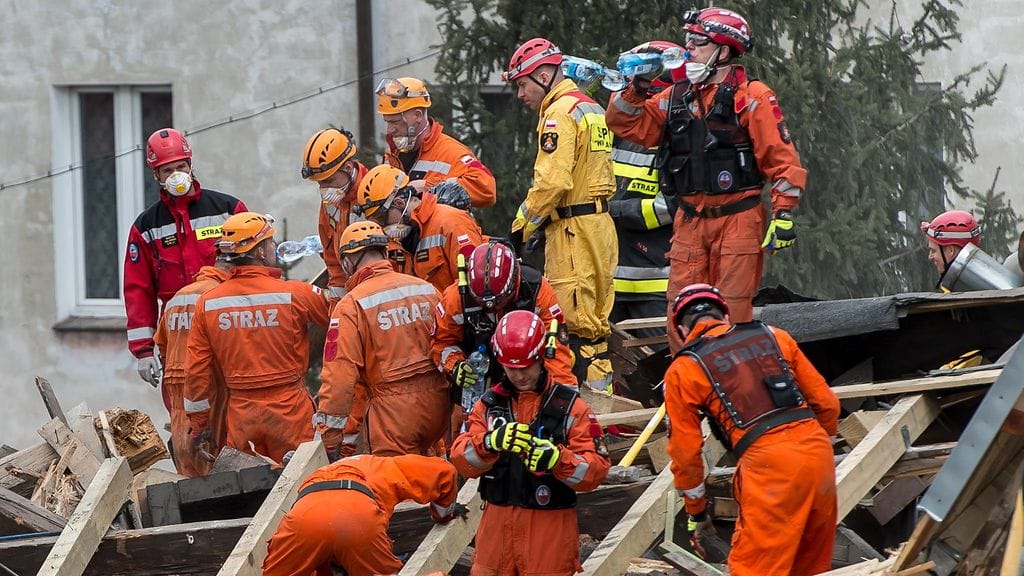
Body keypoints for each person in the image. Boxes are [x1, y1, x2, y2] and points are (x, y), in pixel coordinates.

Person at [605, 8, 807, 351]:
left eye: (697, 42)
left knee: (732, 313)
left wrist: (783, 213)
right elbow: (627, 124)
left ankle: (730, 379)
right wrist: (636, 88)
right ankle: (688, 377)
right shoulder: (677, 96)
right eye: (688, 41)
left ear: (723, 51)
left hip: (738, 219)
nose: (688, 49)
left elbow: (781, 161)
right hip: (690, 221)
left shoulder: (753, 97)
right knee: (680, 314)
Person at [663, 283, 839, 575]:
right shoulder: (775, 336)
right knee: (812, 568)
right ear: (725, 315)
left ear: (682, 330)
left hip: (768, 467)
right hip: (818, 454)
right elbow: (828, 404)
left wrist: (697, 510)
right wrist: (821, 445)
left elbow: (685, 451)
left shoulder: (684, 369)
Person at [450, 310, 611, 575]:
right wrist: (489, 443)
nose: (519, 375)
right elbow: (460, 459)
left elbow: (597, 470)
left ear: (540, 357)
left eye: (526, 366)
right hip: (495, 537)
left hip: (549, 538)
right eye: (511, 368)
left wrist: (558, 459)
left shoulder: (570, 407)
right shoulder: (488, 406)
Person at [504, 38, 618, 392]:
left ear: (543, 76)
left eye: (522, 84)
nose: (520, 95)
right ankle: (603, 400)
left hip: (573, 234)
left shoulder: (558, 113)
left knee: (571, 326)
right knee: (596, 330)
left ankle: (579, 407)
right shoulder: (590, 107)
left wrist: (521, 229)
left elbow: (552, 182)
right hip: (599, 226)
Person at [185, 212, 330, 463]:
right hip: (290, 412)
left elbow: (196, 370)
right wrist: (333, 261)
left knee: (247, 483)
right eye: (270, 242)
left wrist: (198, 423)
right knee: (299, 480)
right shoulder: (295, 293)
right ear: (261, 252)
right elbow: (342, 313)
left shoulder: (208, 303)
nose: (274, 247)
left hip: (242, 416)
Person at [125, 128, 247, 390]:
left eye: (181, 166)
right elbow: (138, 290)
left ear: (191, 165)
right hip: (178, 331)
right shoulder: (146, 227)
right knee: (183, 402)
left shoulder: (228, 210)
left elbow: (253, 266)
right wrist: (143, 350)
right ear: (156, 175)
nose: (176, 175)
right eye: (167, 170)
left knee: (235, 401)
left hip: (227, 323)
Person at [317, 221, 451, 459]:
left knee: (396, 477)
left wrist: (330, 436)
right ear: (385, 252)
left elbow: (339, 377)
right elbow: (449, 342)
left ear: (347, 262)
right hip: (440, 405)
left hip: (393, 414)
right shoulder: (427, 290)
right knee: (436, 470)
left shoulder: (350, 306)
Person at [262, 454, 466, 576]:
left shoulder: (322, 473)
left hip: (304, 517)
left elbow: (323, 539)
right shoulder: (386, 466)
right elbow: (444, 471)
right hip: (358, 516)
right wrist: (443, 514)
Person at [432, 240, 577, 401]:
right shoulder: (457, 298)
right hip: (478, 380)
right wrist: (455, 365)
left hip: (527, 374)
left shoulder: (536, 291)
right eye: (481, 302)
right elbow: (441, 343)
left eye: (499, 300)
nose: (492, 307)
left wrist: (564, 401)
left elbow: (556, 350)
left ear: (514, 281)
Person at [609, 41, 683, 344]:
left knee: (660, 363)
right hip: (610, 282)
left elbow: (671, 207)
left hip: (655, 286)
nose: (626, 95)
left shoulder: (677, 138)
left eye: (636, 87)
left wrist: (613, 210)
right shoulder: (617, 134)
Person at [153, 257, 233, 476]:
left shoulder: (179, 297)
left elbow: (162, 344)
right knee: (216, 472)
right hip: (210, 389)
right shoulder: (220, 296)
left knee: (188, 471)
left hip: (178, 393)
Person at [354, 164, 483, 293]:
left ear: (399, 203)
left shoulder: (450, 222)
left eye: (381, 218)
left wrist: (440, 304)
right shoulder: (401, 240)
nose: (382, 227)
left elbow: (474, 282)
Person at [377, 76, 496, 209]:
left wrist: (426, 186)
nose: (390, 130)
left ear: (418, 115)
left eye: (395, 122)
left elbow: (487, 189)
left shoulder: (451, 152)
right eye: (387, 122)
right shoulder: (392, 154)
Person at [300, 126, 368, 297]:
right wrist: (337, 303)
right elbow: (333, 263)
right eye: (320, 183)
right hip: (352, 294)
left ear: (348, 167)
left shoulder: (374, 193)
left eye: (329, 181)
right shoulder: (330, 203)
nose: (324, 189)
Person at [921, 209, 981, 278]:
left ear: (951, 250)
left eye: (933, 250)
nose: (930, 257)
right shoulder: (980, 277)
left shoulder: (962, 284)